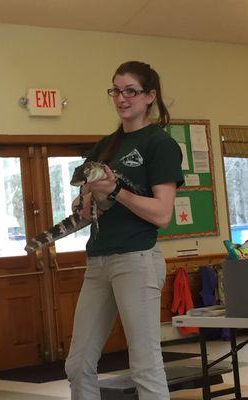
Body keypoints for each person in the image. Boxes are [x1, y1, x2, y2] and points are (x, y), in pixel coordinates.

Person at [65, 61, 184, 400]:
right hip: (99, 260)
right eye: (116, 90)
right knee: (77, 364)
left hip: (137, 258)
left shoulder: (159, 144)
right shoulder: (104, 146)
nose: (121, 98)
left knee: (144, 365)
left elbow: (162, 214)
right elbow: (84, 209)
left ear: (149, 96)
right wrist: (83, 206)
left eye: (130, 90)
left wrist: (116, 191)